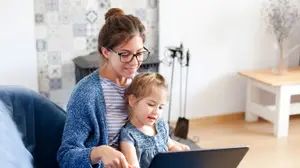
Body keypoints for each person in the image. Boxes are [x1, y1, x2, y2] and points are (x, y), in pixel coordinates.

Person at [57, 8, 189, 168]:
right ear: (106, 52)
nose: (134, 62)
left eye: (139, 53)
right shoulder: (87, 94)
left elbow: (147, 131)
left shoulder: (141, 84)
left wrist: (172, 145)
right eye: (125, 54)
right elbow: (66, 156)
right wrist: (100, 152)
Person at [120, 72, 189, 168]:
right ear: (132, 100)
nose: (156, 112)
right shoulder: (128, 134)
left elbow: (170, 146)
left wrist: (183, 154)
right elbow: (133, 165)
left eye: (161, 107)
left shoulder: (161, 125)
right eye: (151, 104)